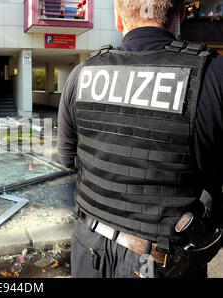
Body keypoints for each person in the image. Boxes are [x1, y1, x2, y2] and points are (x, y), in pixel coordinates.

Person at [58, 0, 223, 278]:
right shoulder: (213, 76)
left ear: (118, 18)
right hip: (162, 262)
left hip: (88, 251)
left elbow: (67, 159)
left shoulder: (81, 75)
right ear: (180, 14)